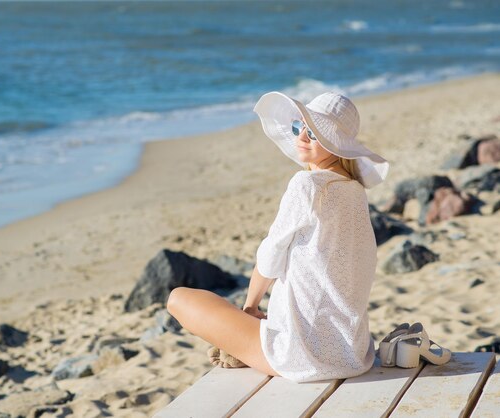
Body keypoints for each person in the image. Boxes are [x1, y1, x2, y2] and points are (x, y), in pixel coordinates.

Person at [166, 91, 389, 382]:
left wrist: (250, 308)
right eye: (299, 127)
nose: (302, 137)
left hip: (303, 355)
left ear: (336, 144)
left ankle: (242, 347)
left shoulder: (307, 185)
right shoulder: (355, 191)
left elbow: (270, 257)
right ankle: (242, 346)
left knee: (178, 299)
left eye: (315, 132)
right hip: (353, 354)